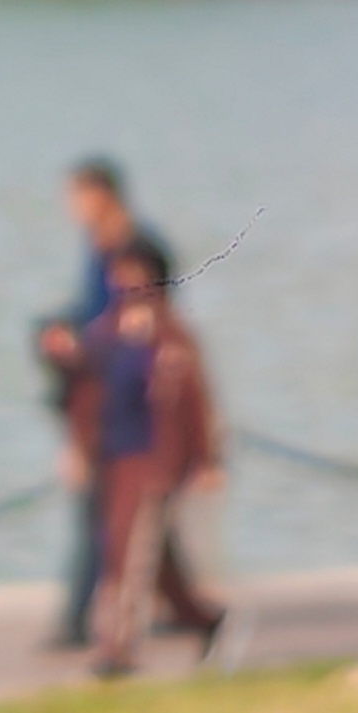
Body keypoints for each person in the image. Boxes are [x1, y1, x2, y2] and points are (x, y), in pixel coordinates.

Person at [70, 235, 227, 676]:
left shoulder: (170, 337)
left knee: (133, 550)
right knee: (135, 552)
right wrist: (78, 448)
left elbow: (195, 400)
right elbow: (84, 394)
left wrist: (205, 460)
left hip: (155, 460)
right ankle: (201, 618)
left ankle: (117, 648)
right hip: (114, 458)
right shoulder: (104, 334)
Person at [34, 157, 144, 648]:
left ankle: (77, 621)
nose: (71, 207)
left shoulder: (131, 249)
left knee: (100, 512)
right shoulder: (99, 246)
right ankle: (185, 609)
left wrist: (79, 344)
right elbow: (96, 315)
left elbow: (135, 325)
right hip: (103, 397)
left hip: (119, 404)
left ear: (101, 195)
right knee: (129, 512)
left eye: (77, 196)